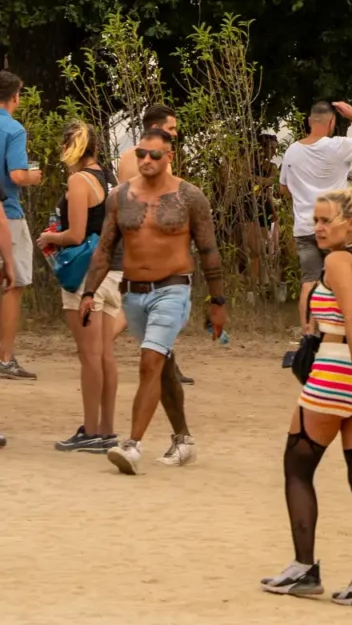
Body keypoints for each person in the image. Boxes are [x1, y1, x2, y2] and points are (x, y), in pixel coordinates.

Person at [262, 186, 352, 609]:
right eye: (315, 220)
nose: (317, 227)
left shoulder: (337, 261)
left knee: (297, 467)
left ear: (350, 224)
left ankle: (304, 568)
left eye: (325, 220)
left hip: (339, 371)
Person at [81, 129, 229, 473]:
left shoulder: (189, 196)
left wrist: (217, 302)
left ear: (170, 157)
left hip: (173, 289)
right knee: (161, 366)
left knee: (150, 362)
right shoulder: (119, 196)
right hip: (133, 293)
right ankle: (184, 439)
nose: (146, 160)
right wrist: (89, 292)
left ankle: (132, 445)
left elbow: (208, 250)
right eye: (141, 154)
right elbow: (104, 249)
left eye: (155, 155)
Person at [277, 100, 352, 334]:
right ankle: (343, 332)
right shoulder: (338, 146)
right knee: (344, 280)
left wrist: (305, 190)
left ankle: (308, 334)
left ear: (309, 121)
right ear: (332, 122)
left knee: (309, 281)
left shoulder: (292, 151)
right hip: (335, 228)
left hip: (305, 226)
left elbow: (283, 189)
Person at [40, 122, 112, 448]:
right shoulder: (107, 177)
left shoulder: (79, 180)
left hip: (84, 274)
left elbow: (76, 234)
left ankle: (92, 430)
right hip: (108, 270)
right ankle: (105, 428)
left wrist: (49, 237)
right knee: (103, 354)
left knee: (89, 354)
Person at [0, 69, 36, 380]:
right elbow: (16, 175)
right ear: (15, 96)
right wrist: (33, 176)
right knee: (13, 285)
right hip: (7, 214)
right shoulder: (13, 129)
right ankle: (4, 357)